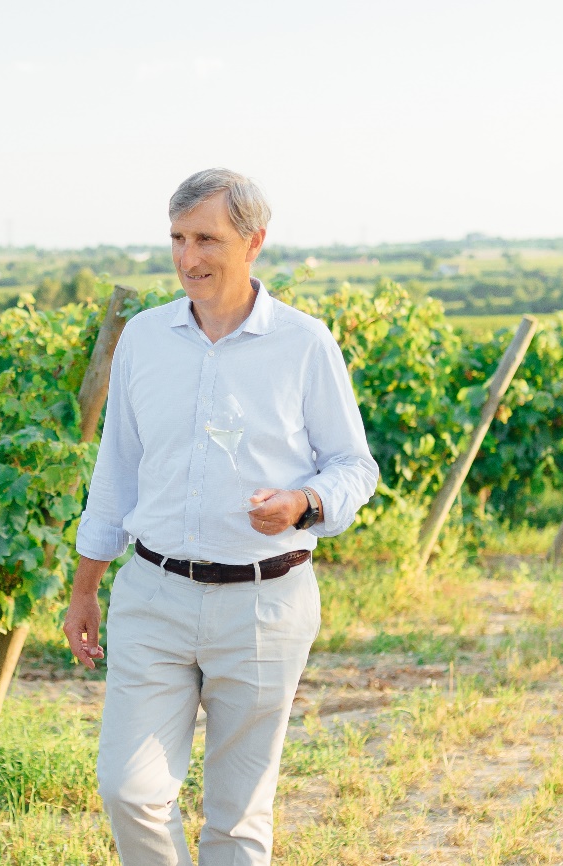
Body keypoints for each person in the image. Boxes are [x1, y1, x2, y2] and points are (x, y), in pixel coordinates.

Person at [63, 168, 379, 866]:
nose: (187, 257)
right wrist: (84, 588)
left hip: (265, 603)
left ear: (253, 241)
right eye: (176, 238)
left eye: (206, 238)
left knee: (237, 819)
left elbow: (355, 468)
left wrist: (302, 502)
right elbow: (115, 473)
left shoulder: (302, 343)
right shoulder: (143, 339)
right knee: (128, 790)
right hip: (153, 595)